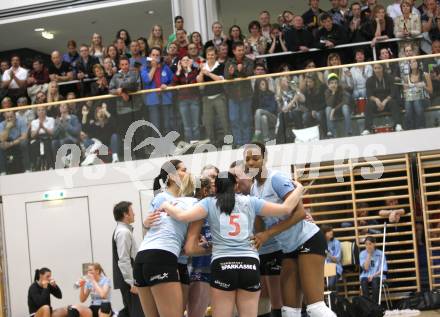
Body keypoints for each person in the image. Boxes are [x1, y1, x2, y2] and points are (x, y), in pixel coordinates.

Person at [160, 170, 304, 317]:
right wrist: (299, 188)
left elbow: (182, 216)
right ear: (236, 186)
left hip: (222, 265)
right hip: (249, 264)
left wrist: (166, 205)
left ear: (216, 187)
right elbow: (286, 208)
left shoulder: (209, 203)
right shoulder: (250, 201)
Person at [244, 142, 336, 317]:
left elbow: (300, 213)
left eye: (255, 158)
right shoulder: (253, 189)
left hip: (308, 241)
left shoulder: (277, 179)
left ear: (264, 158)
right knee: (288, 312)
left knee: (315, 308)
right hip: (288, 249)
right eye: (247, 159)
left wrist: (267, 234)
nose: (250, 162)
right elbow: (260, 226)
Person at [134, 159, 188, 317]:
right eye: (183, 170)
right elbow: (149, 228)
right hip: (161, 258)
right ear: (172, 176)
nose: (188, 173)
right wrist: (145, 223)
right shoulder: (162, 198)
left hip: (147, 259)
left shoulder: (184, 199)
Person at [112, 201, 143, 317]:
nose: (134, 213)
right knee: (138, 313)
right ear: (125, 214)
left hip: (129, 281)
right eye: (132, 211)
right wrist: (132, 283)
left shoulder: (122, 231)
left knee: (132, 311)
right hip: (130, 282)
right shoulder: (123, 232)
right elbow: (124, 260)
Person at [109, 56, 143, 159]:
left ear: (129, 64)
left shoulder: (135, 74)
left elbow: (138, 87)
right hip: (122, 110)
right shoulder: (115, 76)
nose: (124, 66)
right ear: (119, 65)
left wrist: (123, 89)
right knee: (127, 134)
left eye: (126, 64)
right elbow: (110, 89)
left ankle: (140, 155)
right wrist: (117, 92)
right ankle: (130, 154)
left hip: (135, 108)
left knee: (138, 132)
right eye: (122, 64)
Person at [196, 47, 229, 147]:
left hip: (219, 96)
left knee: (224, 121)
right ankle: (212, 144)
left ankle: (229, 142)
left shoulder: (221, 65)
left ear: (216, 56)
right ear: (206, 56)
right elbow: (199, 81)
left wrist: (209, 73)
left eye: (212, 55)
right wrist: (202, 71)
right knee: (208, 123)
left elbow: (220, 79)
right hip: (206, 98)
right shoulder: (203, 66)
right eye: (209, 55)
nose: (210, 57)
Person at [224, 42, 254, 146]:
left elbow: (249, 73)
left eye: (243, 50)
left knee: (246, 119)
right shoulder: (229, 62)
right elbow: (226, 76)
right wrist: (232, 73)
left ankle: (247, 142)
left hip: (246, 95)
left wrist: (240, 72)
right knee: (234, 120)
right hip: (233, 96)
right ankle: (238, 142)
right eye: (239, 50)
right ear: (234, 51)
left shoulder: (249, 61)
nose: (241, 52)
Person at [362, 63, 403, 135]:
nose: (377, 70)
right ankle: (367, 128)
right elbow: (369, 95)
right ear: (373, 69)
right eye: (375, 68)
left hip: (387, 102)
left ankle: (398, 124)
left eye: (379, 68)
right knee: (369, 104)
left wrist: (385, 101)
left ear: (383, 68)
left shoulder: (390, 78)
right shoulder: (369, 80)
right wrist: (376, 100)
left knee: (393, 102)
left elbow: (393, 93)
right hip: (376, 103)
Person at [140, 47, 174, 135]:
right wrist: (154, 67)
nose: (155, 57)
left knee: (167, 124)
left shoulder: (165, 67)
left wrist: (166, 85)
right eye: (153, 55)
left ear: (160, 57)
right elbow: (147, 80)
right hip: (152, 101)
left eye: (157, 55)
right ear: (149, 56)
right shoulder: (144, 68)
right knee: (156, 126)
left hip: (166, 99)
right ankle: (157, 147)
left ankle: (169, 145)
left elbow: (173, 81)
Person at [173, 56, 200, 142]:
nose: (185, 62)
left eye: (187, 60)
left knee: (195, 123)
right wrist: (178, 71)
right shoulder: (178, 73)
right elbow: (174, 84)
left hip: (194, 100)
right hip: (182, 101)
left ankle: (196, 142)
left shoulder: (194, 71)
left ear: (190, 62)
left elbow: (193, 82)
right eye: (183, 60)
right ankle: (189, 143)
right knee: (186, 124)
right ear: (180, 63)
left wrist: (189, 69)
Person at [402, 59, 432, 129]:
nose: (412, 63)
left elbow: (430, 91)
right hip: (411, 99)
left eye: (414, 61)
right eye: (411, 62)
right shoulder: (406, 77)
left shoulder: (425, 75)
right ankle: (410, 128)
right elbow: (405, 93)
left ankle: (420, 126)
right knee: (408, 103)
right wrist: (407, 90)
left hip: (424, 99)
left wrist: (423, 86)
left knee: (417, 102)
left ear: (418, 63)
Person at [359, 236, 388, 304]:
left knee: (375, 281)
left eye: (370, 244)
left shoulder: (380, 253)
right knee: (363, 281)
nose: (368, 246)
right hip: (366, 275)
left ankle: (375, 305)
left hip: (378, 275)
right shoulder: (362, 254)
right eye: (366, 244)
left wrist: (373, 276)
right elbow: (365, 268)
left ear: (374, 244)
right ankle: (368, 305)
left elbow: (383, 269)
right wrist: (369, 254)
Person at [0, 110, 29, 175]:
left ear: (15, 116)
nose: (9, 119)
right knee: (1, 146)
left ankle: (28, 168)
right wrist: (7, 128)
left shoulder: (21, 121)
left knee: (24, 143)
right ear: (4, 117)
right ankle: (3, 171)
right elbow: (2, 139)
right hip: (8, 141)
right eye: (7, 117)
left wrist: (11, 143)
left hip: (18, 141)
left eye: (11, 117)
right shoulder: (2, 124)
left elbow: (24, 136)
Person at [324, 73, 352, 138]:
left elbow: (345, 101)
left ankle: (349, 132)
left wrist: (334, 109)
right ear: (328, 84)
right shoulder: (327, 92)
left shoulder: (342, 89)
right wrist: (333, 93)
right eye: (331, 83)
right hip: (333, 113)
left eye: (335, 83)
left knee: (345, 107)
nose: (334, 85)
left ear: (338, 84)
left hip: (343, 111)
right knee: (328, 109)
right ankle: (332, 133)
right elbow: (329, 104)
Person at [252, 78, 278, 143]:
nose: (264, 86)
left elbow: (273, 108)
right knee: (263, 118)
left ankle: (257, 132)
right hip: (261, 118)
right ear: (258, 86)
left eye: (265, 84)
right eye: (262, 84)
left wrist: (263, 111)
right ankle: (266, 139)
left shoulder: (271, 94)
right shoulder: (256, 96)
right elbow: (253, 110)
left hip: (273, 117)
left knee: (259, 111)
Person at [321, 225, 342, 291]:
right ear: (324, 233)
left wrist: (328, 254)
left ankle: (333, 301)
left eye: (331, 230)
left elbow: (337, 259)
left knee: (331, 285)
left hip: (335, 267)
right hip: (322, 269)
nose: (331, 232)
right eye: (328, 231)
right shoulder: (320, 243)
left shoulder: (336, 242)